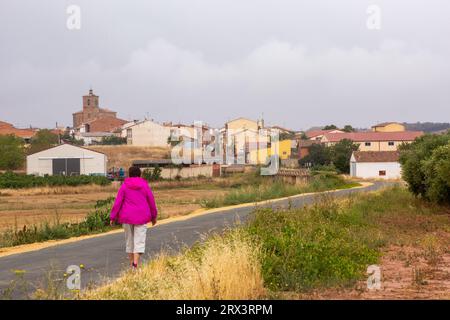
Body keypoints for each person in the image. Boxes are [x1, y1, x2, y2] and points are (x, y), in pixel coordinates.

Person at [110, 166, 158, 269]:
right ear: (140, 174)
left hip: (127, 217)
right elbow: (151, 201)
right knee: (139, 241)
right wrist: (154, 216)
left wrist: (113, 217)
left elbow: (118, 202)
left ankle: (132, 265)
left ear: (129, 174)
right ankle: (135, 264)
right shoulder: (144, 185)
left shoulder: (124, 186)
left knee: (129, 241)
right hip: (141, 217)